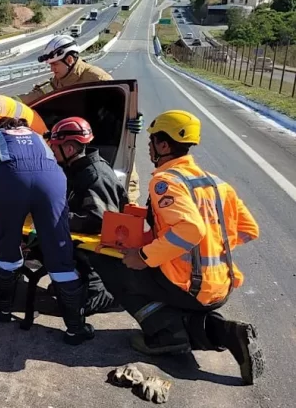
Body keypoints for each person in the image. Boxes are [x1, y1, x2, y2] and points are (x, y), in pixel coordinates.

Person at [86, 110, 264, 385]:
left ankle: (164, 336)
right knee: (172, 296)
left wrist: (144, 256)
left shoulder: (165, 182)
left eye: (152, 141)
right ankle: (228, 333)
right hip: (220, 286)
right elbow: (248, 230)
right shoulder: (218, 183)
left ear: (164, 145)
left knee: (114, 265)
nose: (149, 147)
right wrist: (205, 249)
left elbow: (191, 229)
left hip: (188, 286)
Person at [0, 117, 94, 345]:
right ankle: (75, 328)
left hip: (11, 181)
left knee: (7, 246)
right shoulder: (38, 137)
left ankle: (3, 309)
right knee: (60, 252)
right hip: (53, 180)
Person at [17, 34, 144, 203]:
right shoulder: (57, 82)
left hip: (105, 145)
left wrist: (132, 119)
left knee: (122, 202)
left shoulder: (98, 79)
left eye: (55, 64)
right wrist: (7, 103)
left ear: (69, 60)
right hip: (74, 150)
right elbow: (34, 97)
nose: (52, 69)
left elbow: (118, 108)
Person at [48, 117, 126, 315]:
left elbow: (98, 220)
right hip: (86, 241)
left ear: (70, 150)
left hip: (100, 249)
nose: (52, 150)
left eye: (55, 146)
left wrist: (57, 218)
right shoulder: (78, 168)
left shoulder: (94, 175)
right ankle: (74, 282)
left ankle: (104, 296)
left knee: (73, 308)